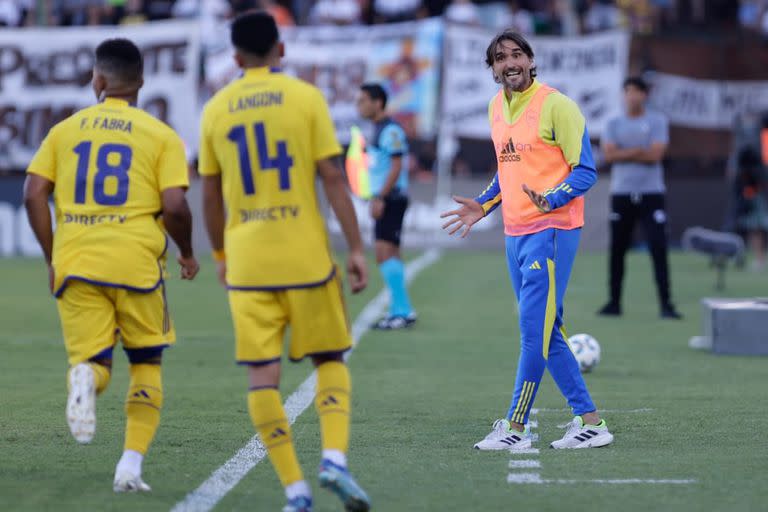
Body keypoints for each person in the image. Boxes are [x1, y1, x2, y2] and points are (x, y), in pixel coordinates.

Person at [198, 12, 370, 512]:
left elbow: (210, 197)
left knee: (261, 377)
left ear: (235, 58)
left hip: (248, 264)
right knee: (330, 358)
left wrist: (220, 255)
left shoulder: (215, 109)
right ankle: (334, 459)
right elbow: (334, 178)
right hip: (307, 259)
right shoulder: (304, 98)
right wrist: (356, 248)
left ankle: (295, 491)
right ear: (282, 49)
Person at [23, 38, 199, 491]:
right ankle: (130, 466)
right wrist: (186, 251)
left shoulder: (64, 130)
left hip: (76, 260)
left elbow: (33, 192)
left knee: (93, 361)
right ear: (141, 83)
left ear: (97, 81)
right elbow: (176, 205)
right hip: (137, 263)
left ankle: (86, 378)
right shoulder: (161, 136)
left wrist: (51, 256)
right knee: (146, 362)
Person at [440, 30, 614, 450]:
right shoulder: (496, 108)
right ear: (493, 68)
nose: (510, 62)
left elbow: (586, 170)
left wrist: (551, 199)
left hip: (551, 233)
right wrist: (484, 204)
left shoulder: (557, 105)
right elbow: (507, 171)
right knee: (548, 332)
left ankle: (515, 429)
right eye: (500, 58)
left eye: (517, 54)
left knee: (532, 333)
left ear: (531, 60)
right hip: (514, 234)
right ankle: (591, 422)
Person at [597, 76, 682, 319]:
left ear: (645, 95)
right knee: (617, 249)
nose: (632, 96)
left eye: (636, 91)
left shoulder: (657, 121)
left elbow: (655, 155)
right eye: (628, 91)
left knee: (658, 247)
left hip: (651, 193)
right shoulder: (613, 122)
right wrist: (638, 151)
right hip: (622, 193)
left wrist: (625, 152)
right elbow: (609, 156)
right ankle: (614, 302)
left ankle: (666, 304)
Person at [355, 83, 416, 330]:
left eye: (363, 100)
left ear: (378, 103)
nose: (359, 105)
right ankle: (400, 309)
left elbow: (396, 166)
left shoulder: (390, 130)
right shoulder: (378, 128)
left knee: (383, 252)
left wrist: (380, 197)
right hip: (387, 197)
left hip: (391, 198)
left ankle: (401, 310)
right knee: (388, 253)